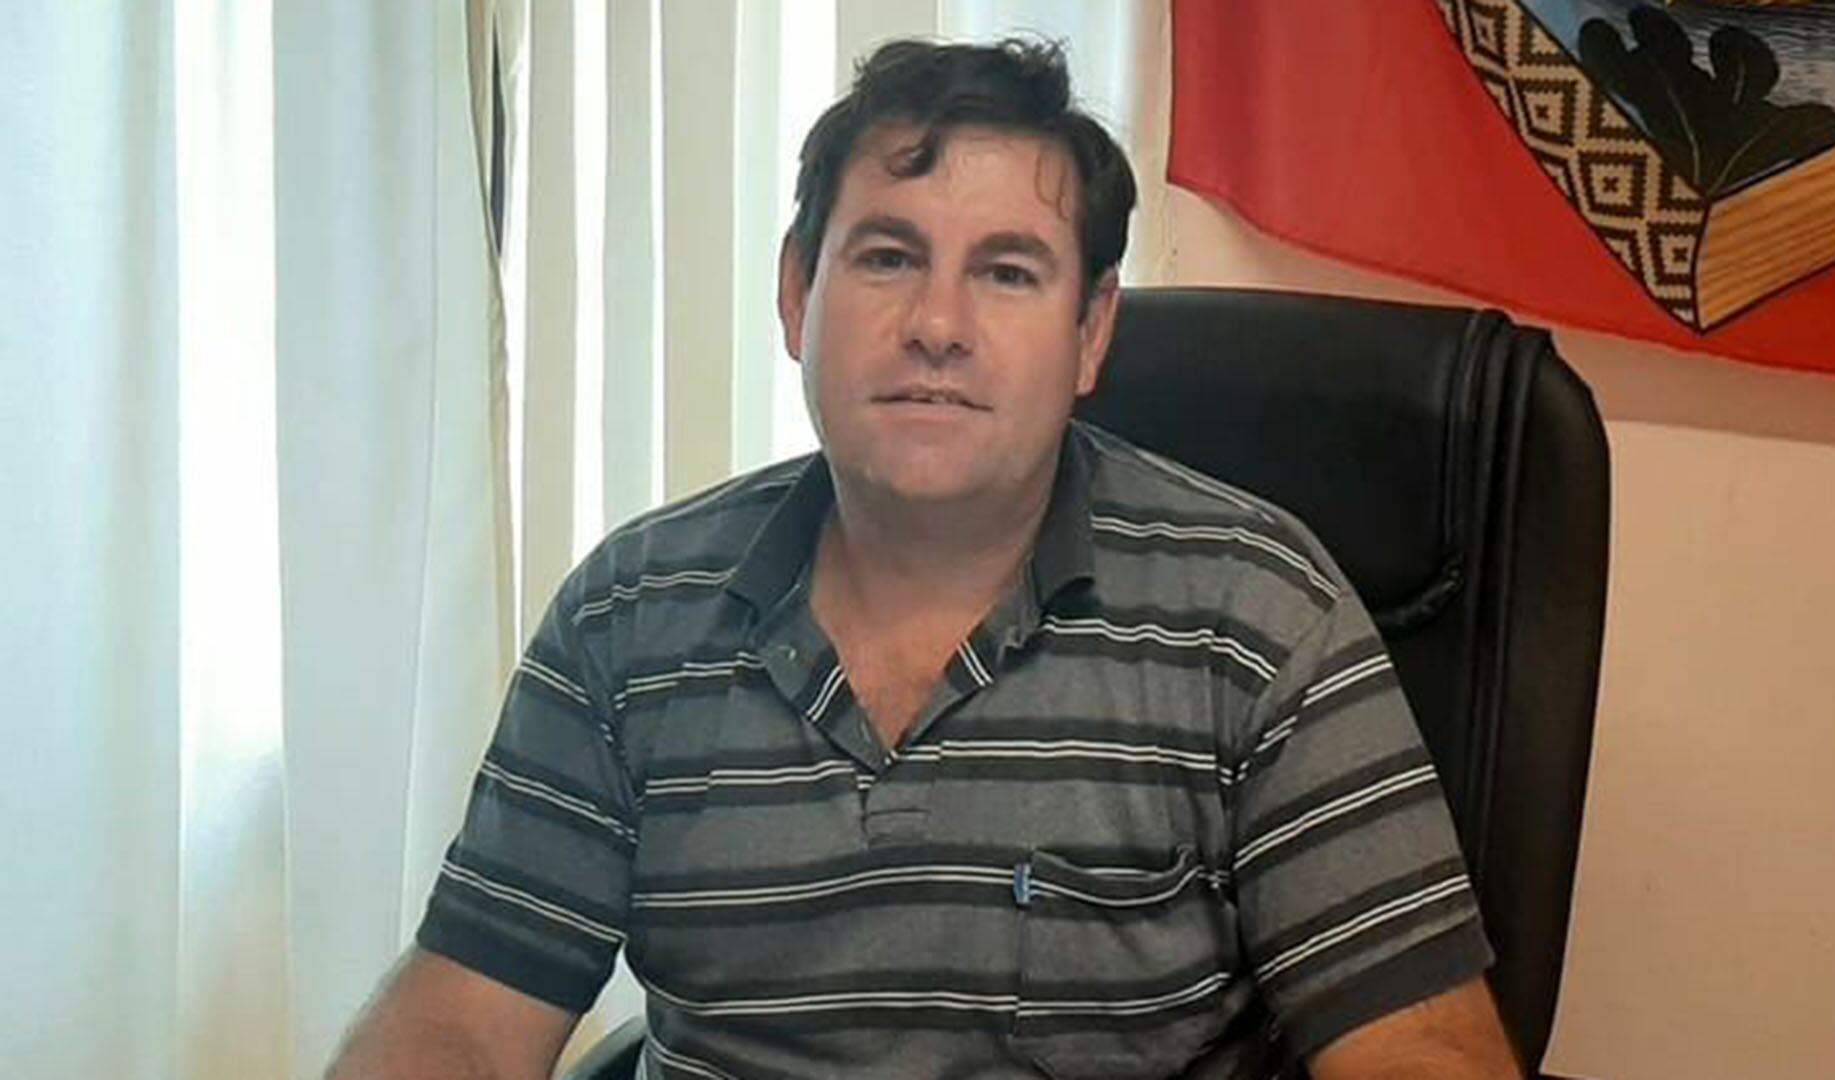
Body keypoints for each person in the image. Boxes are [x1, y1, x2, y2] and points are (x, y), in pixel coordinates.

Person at [327, 38, 1520, 1080]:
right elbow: (465, 1014)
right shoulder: (629, 616)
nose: (938, 325)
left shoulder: (1257, 616)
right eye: (888, 257)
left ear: (1091, 332)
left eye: (1007, 272)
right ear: (796, 295)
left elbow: (1420, 1052)